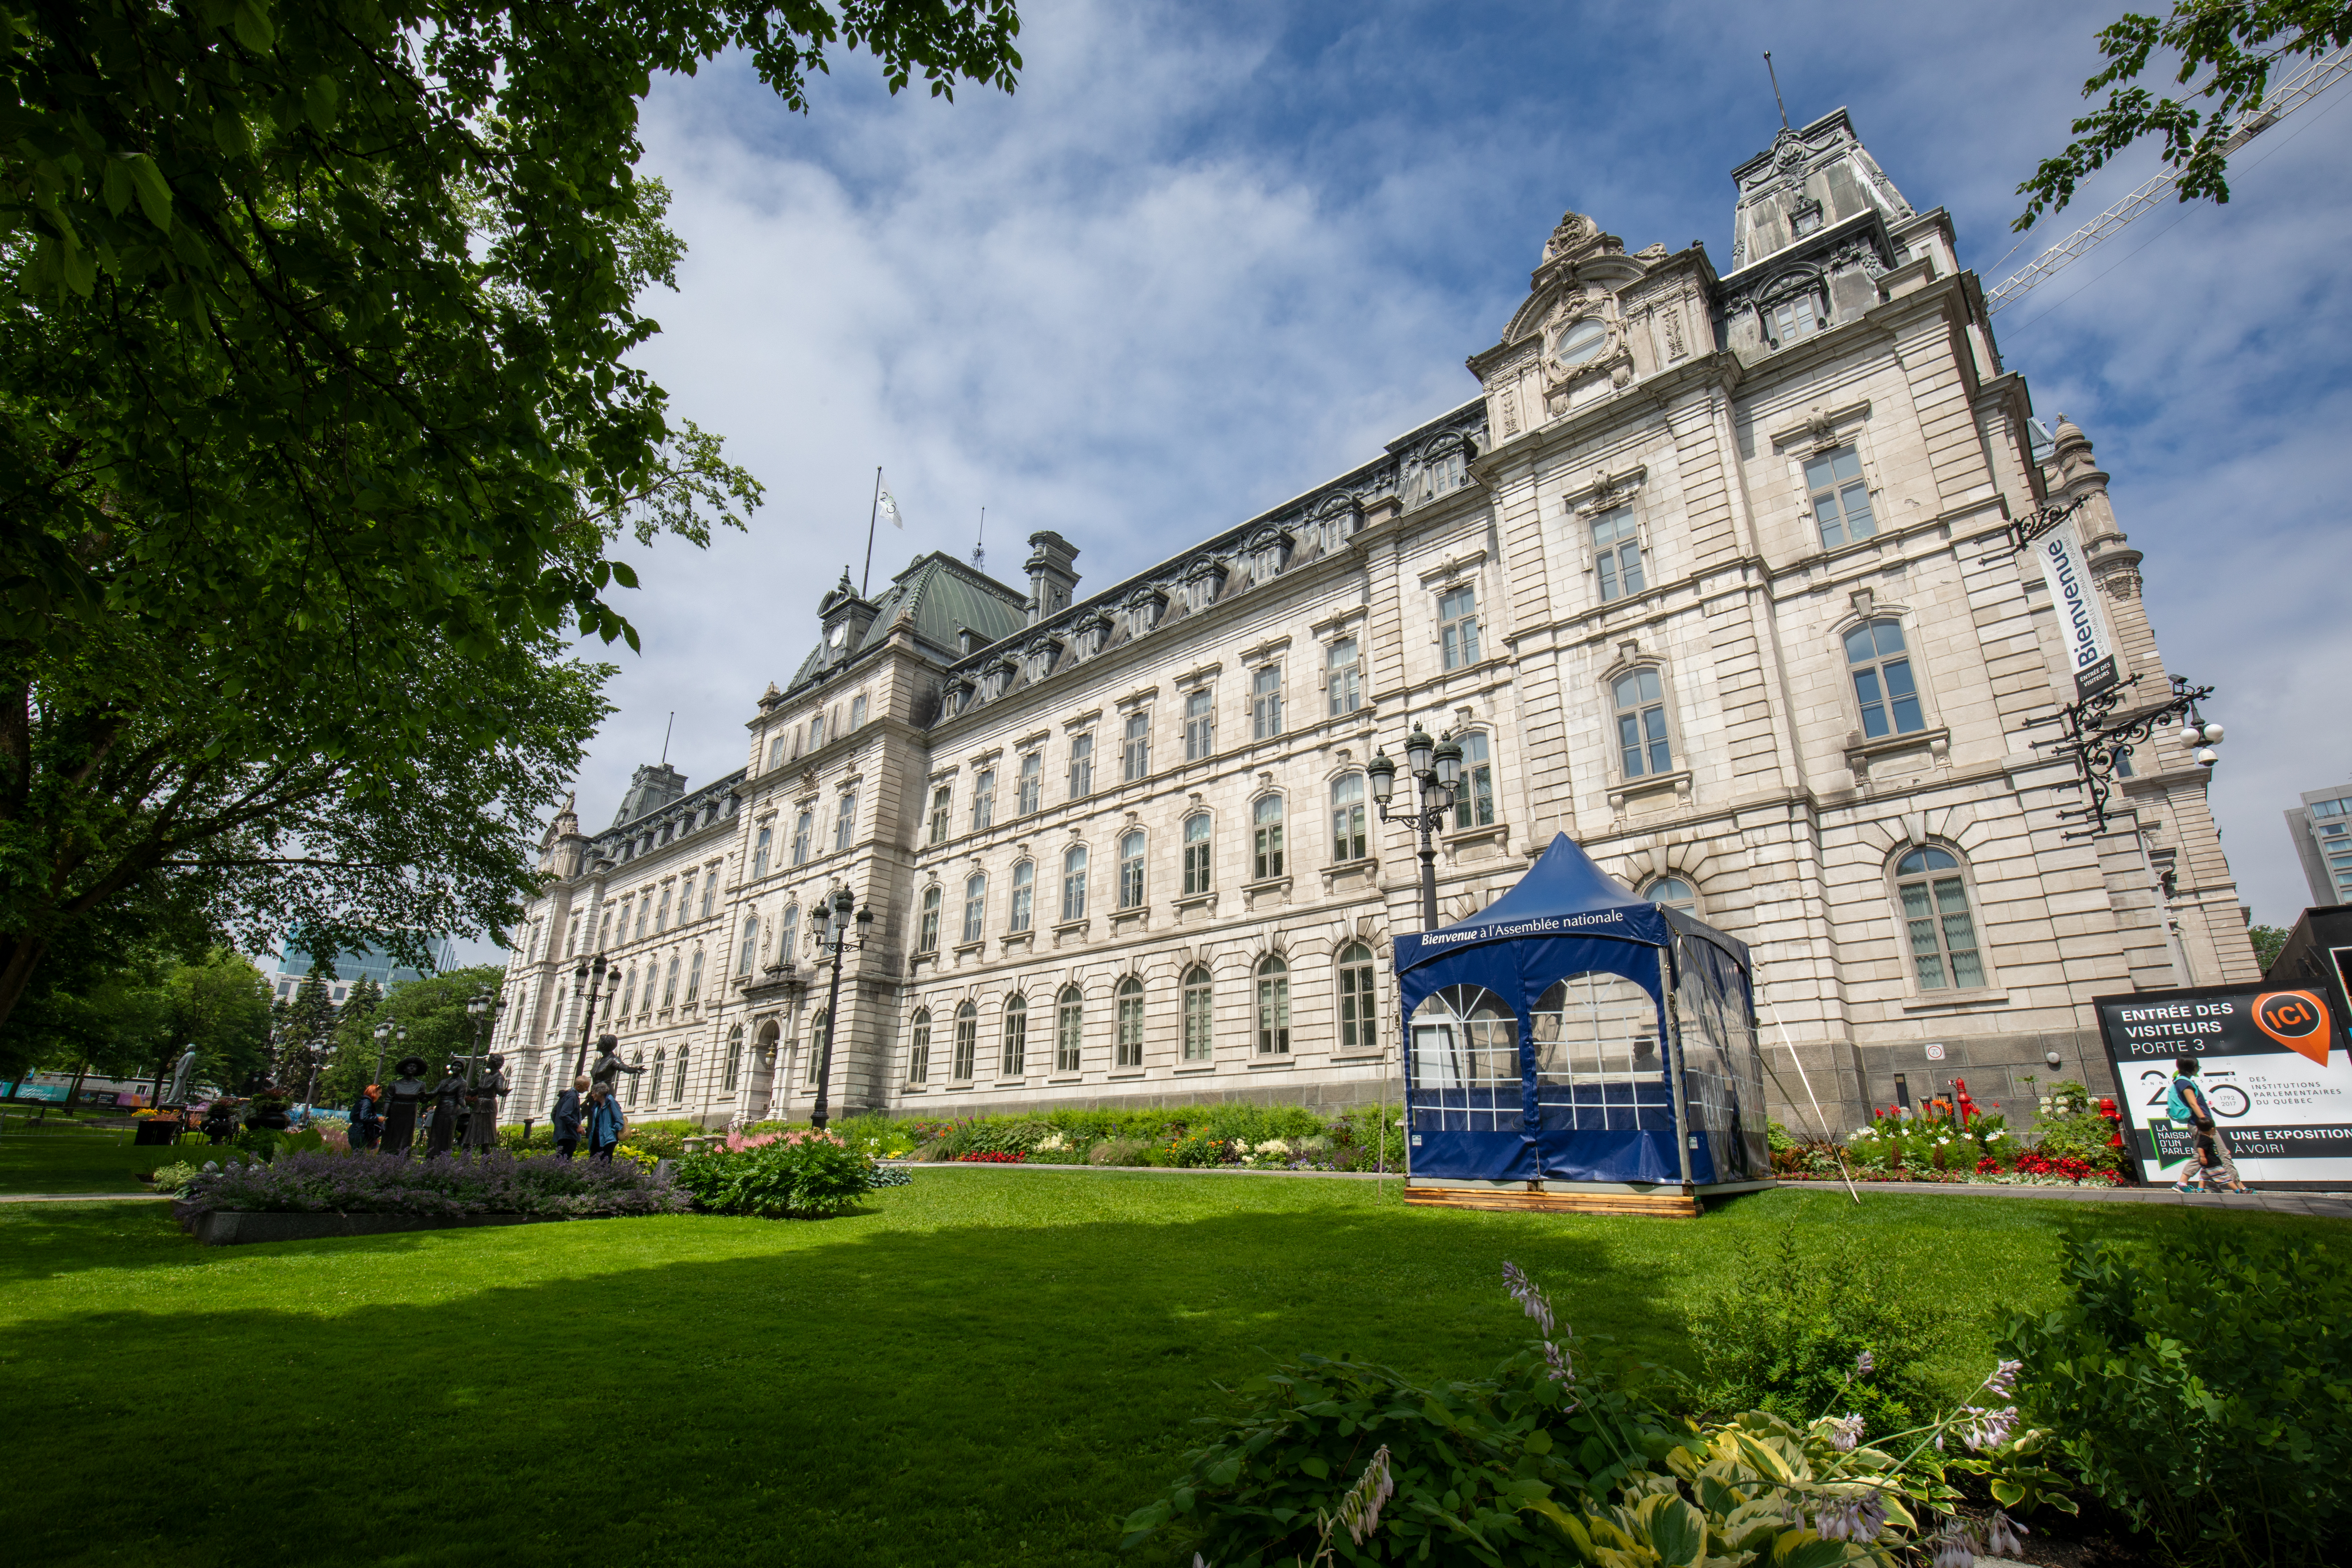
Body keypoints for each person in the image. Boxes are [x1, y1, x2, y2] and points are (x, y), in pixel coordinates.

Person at [2168, 1056, 2247, 1194]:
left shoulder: (2183, 1082)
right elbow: (2193, 1104)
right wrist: (2206, 1123)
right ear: (2191, 1068)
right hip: (2201, 1125)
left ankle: (2193, 1183)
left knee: (2204, 1154)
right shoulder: (2184, 1083)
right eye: (2197, 1067)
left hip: (2198, 1124)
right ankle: (2240, 1188)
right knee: (2222, 1154)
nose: (2198, 1069)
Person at [585, 1084, 626, 1164]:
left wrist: (611, 1131)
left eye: (593, 1093)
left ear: (600, 1093)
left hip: (608, 1140)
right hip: (596, 1140)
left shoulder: (611, 1102)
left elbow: (620, 1121)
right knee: (592, 1164)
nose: (592, 1095)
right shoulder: (597, 1105)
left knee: (605, 1164)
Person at [551, 1074, 587, 1160]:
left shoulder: (566, 1095)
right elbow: (564, 1114)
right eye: (586, 1087)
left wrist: (560, 1127)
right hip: (569, 1135)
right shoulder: (572, 1097)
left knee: (560, 1160)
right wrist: (577, 1126)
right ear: (579, 1086)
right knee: (565, 1161)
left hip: (563, 1135)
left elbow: (554, 1113)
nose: (587, 1090)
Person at [350, 1084, 385, 1152]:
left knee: (356, 1154)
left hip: (355, 1131)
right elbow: (364, 1117)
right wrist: (377, 1119)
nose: (381, 1095)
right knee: (358, 1155)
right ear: (374, 1093)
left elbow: (353, 1116)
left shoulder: (361, 1101)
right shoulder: (367, 1103)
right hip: (360, 1132)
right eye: (380, 1093)